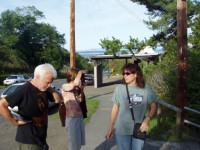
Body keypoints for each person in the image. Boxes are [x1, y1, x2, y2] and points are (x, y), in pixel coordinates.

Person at [0, 63, 62, 150]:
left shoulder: (44, 89)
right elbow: (1, 105)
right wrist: (14, 122)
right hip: (29, 142)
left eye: (51, 82)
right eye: (47, 82)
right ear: (37, 77)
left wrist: (50, 88)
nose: (49, 85)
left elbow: (58, 99)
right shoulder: (24, 90)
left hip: (41, 139)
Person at [106, 63, 157, 150]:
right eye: (124, 74)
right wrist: (111, 127)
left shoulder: (146, 88)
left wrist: (147, 119)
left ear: (135, 74)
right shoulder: (119, 88)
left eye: (127, 73)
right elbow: (115, 108)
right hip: (122, 130)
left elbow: (153, 106)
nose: (125, 76)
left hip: (139, 129)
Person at [61, 68, 87, 150]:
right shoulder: (65, 86)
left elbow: (80, 101)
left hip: (79, 117)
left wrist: (82, 89)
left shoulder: (76, 89)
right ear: (74, 77)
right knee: (73, 145)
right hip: (72, 119)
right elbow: (74, 83)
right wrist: (80, 72)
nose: (80, 80)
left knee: (78, 143)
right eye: (79, 78)